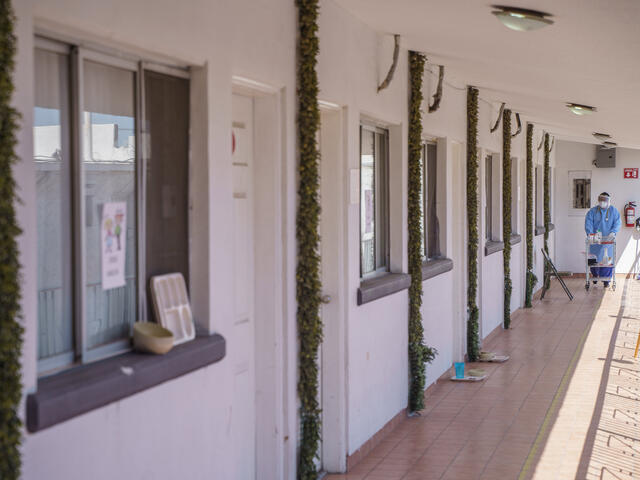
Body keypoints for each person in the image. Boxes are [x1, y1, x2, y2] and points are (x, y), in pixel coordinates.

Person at [584, 192, 621, 287]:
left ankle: (606, 281)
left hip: (608, 241)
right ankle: (595, 276)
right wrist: (590, 234)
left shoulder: (614, 211)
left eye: (604, 200)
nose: (602, 202)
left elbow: (617, 223)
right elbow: (588, 223)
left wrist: (613, 232)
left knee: (607, 261)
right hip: (595, 241)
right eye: (600, 200)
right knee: (594, 260)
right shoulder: (593, 211)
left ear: (609, 201)